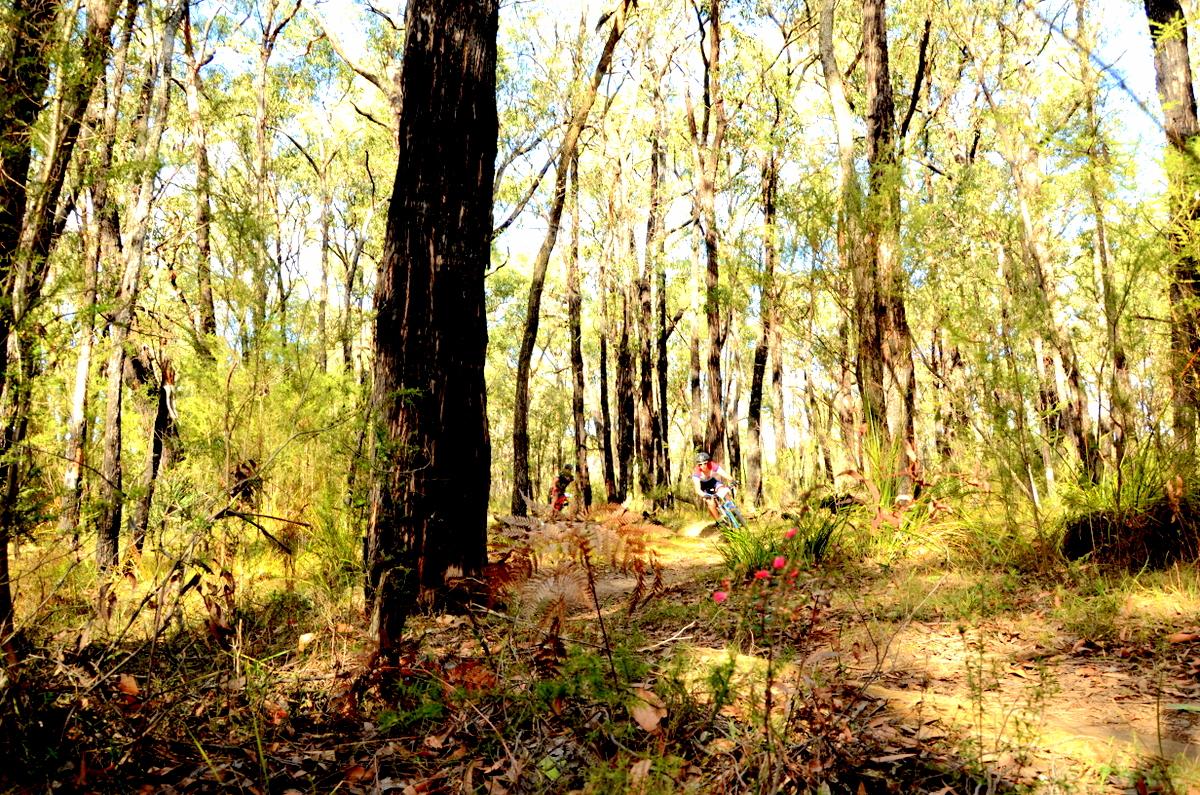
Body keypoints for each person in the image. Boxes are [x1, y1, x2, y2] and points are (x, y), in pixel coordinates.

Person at [692, 451, 734, 521]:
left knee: (724, 491)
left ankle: (733, 509)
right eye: (700, 464)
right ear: (698, 465)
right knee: (710, 502)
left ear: (708, 462)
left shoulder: (712, 465)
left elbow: (724, 474)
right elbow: (698, 490)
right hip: (703, 486)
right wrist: (704, 495)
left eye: (705, 463)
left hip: (712, 482)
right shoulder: (696, 472)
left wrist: (733, 480)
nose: (703, 466)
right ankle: (719, 521)